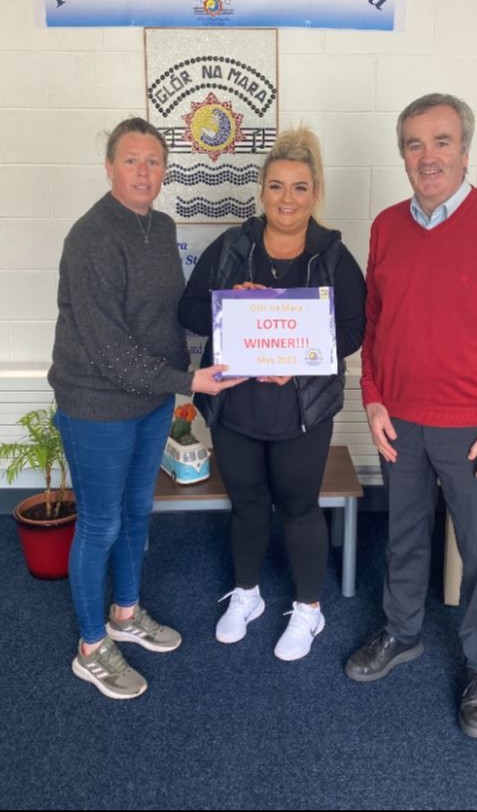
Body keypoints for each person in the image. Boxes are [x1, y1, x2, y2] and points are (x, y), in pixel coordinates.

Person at [344, 94, 477, 739]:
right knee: (403, 536)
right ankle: (402, 632)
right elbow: (376, 324)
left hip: (476, 429)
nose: (427, 157)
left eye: (441, 142)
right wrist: (373, 396)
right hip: (399, 420)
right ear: (402, 155)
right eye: (414, 144)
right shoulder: (384, 227)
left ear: (464, 150)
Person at [49, 117, 243, 700]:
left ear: (165, 171)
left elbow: (171, 315)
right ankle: (90, 647)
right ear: (109, 167)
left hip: (151, 399)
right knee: (100, 523)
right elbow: (108, 348)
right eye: (131, 160)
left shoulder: (161, 226)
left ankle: (125, 615)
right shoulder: (90, 238)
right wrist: (190, 380)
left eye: (154, 161)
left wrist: (233, 317)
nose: (143, 171)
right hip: (96, 403)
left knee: (137, 513)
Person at [179, 126, 366, 661]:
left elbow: (355, 330)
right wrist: (225, 300)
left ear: (316, 193)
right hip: (236, 405)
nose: (288, 199)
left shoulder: (333, 256)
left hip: (303, 408)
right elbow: (189, 311)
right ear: (262, 191)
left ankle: (309, 608)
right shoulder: (233, 246)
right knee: (248, 505)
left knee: (299, 507)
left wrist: (302, 362)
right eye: (278, 186)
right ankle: (248, 595)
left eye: (300, 188)